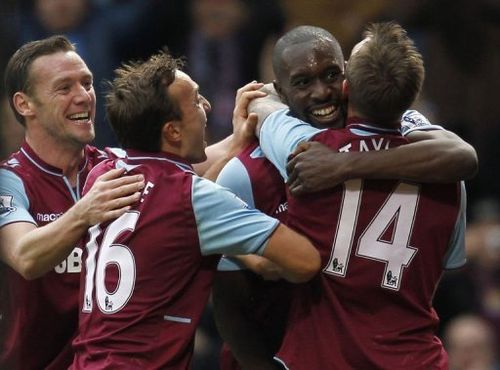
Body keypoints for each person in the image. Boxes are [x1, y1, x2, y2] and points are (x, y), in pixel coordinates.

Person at [212, 25, 476, 370]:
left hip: (320, 356)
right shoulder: (448, 178)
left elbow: (265, 109)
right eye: (304, 82)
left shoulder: (305, 153)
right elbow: (229, 307)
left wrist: (343, 164)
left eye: (332, 75)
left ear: (348, 83)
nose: (322, 92)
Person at [69, 49, 321, 369]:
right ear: (172, 131)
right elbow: (305, 262)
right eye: (196, 100)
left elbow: (179, 213)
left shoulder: (103, 174)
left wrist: (233, 147)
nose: (207, 107)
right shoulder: (195, 199)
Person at [0, 35, 146, 369]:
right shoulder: (10, 181)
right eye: (64, 88)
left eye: (87, 83)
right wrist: (84, 212)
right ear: (25, 104)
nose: (84, 97)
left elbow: (182, 172)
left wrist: (240, 136)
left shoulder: (112, 167)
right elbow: (25, 255)